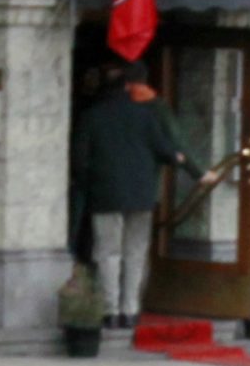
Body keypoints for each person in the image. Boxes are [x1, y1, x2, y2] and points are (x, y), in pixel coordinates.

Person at [71, 60, 194, 330]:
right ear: (127, 87)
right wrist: (186, 163)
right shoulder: (145, 115)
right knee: (135, 252)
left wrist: (90, 183)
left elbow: (79, 161)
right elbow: (165, 149)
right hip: (141, 196)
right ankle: (131, 310)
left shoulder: (92, 116)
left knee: (107, 252)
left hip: (104, 195)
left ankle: (109, 310)